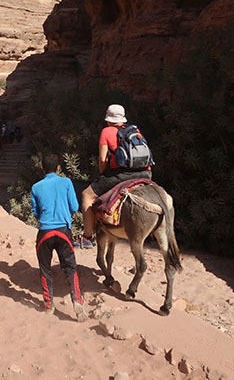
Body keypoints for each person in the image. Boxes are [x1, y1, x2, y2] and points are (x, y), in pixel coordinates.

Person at [77, 104, 152, 248]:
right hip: (145, 173)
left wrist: (102, 173)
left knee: (86, 195)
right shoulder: (135, 130)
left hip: (122, 175)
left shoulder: (107, 131)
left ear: (108, 118)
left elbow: (102, 160)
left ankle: (87, 237)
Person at [32, 154, 87, 321]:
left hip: (45, 232)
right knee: (70, 267)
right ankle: (76, 300)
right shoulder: (66, 182)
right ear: (58, 168)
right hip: (64, 230)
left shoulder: (36, 187)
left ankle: (49, 305)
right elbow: (75, 207)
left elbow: (36, 213)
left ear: (42, 168)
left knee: (45, 269)